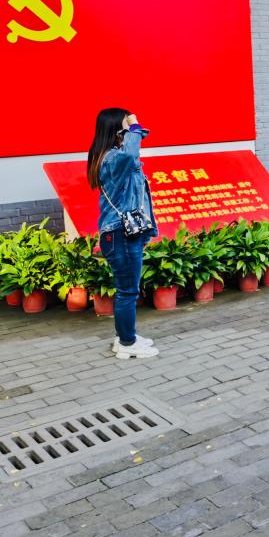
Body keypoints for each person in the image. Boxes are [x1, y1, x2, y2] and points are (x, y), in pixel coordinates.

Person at [87, 108, 159, 360]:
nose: (129, 133)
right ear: (116, 131)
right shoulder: (113, 159)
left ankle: (125, 337)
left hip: (123, 234)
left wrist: (132, 129)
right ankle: (128, 343)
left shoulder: (113, 157)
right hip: (120, 235)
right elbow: (130, 152)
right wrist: (135, 127)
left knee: (127, 289)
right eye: (124, 128)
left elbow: (131, 154)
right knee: (128, 291)